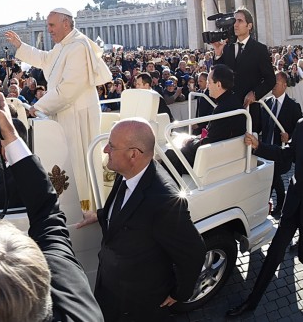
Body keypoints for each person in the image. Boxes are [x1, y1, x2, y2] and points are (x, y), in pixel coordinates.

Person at [0, 93, 103, 322]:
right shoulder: (80, 311)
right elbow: (48, 216)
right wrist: (11, 135)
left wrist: (10, 137)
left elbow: (47, 215)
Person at [228, 82, 303, 317]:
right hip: (294, 203)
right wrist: (259, 146)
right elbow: (287, 157)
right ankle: (251, 302)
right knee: (275, 253)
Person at [76, 118, 206, 321]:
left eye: (111, 146)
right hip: (109, 288)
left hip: (136, 305)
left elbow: (194, 251)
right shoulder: (125, 172)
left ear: (133, 154)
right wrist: (101, 215)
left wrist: (179, 293)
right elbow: (127, 213)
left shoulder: (164, 201)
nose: (105, 151)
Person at [5, 7, 112, 210]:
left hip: (78, 114)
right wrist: (20, 46)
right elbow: (45, 59)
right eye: (47, 25)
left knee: (79, 160)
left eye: (52, 25)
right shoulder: (63, 46)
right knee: (68, 160)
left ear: (66, 23)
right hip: (64, 112)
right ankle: (72, 206)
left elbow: (70, 88)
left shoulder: (78, 46)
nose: (49, 30)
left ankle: (88, 208)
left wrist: (38, 106)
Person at [166, 64, 245, 174]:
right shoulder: (232, 101)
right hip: (224, 152)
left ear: (218, 85)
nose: (207, 86)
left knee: (169, 155)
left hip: (216, 159)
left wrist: (190, 142)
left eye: (209, 82)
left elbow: (210, 140)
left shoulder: (223, 108)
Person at [211, 7, 276, 130]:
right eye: (234, 21)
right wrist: (218, 54)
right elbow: (218, 75)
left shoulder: (259, 49)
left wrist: (255, 94)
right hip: (227, 111)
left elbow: (270, 80)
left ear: (249, 25)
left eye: (240, 21)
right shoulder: (227, 47)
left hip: (249, 111)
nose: (235, 24)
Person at [259, 71, 303, 216]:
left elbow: (299, 130)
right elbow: (260, 126)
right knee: (273, 177)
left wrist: (289, 136)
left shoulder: (293, 106)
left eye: (276, 83)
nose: (272, 86)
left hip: (281, 152)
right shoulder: (266, 103)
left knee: (272, 177)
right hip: (266, 150)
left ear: (284, 86)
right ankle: (278, 202)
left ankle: (268, 204)